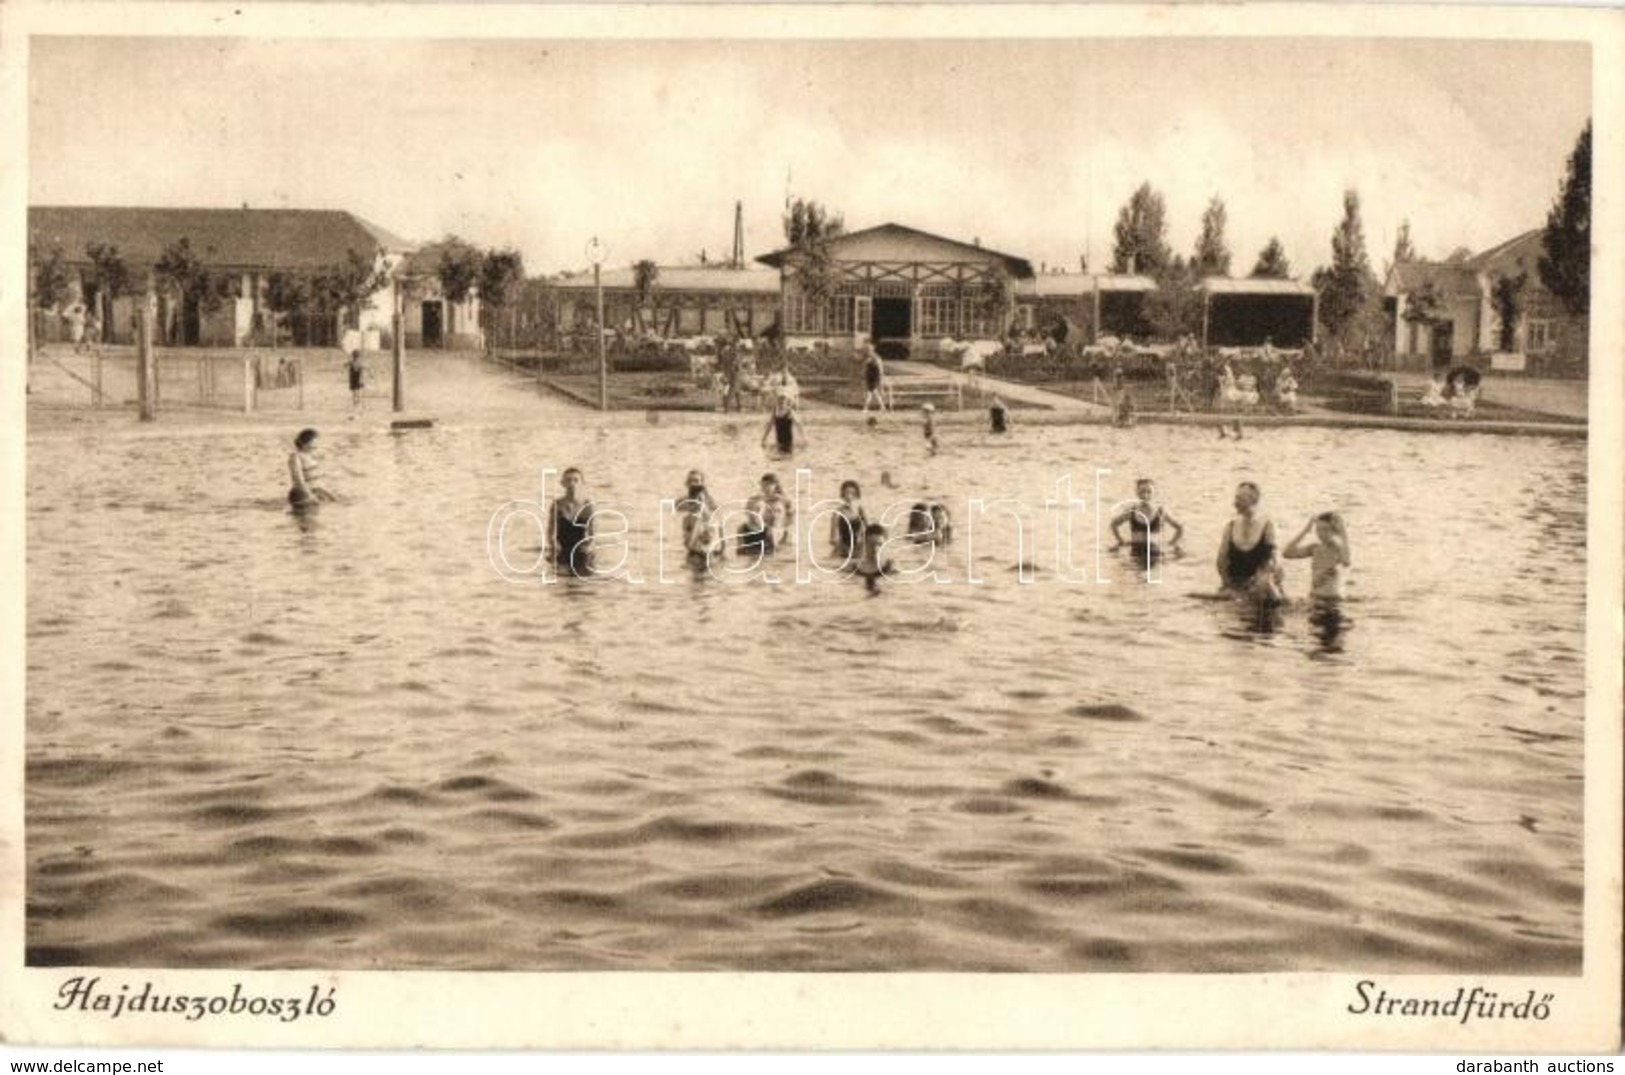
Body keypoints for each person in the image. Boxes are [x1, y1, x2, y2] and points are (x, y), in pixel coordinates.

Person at [1216, 481, 1282, 602]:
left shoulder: (1268, 525)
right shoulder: (1230, 526)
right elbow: (1221, 560)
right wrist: (1227, 585)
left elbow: (1274, 559)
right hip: (1235, 585)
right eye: (1236, 498)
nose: (1235, 503)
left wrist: (1263, 580)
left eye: (1240, 498)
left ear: (1254, 500)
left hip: (1261, 585)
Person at [1283, 511, 1351, 603]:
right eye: (1318, 529)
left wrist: (1343, 531)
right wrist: (1306, 530)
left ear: (1334, 530)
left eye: (1325, 529)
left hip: (1332, 601)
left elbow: (1346, 561)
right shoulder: (1315, 548)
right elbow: (1287, 553)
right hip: (1314, 598)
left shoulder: (1338, 549)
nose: (1320, 533)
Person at [1110, 478, 1184, 560]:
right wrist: (1121, 542)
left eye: (1149, 492)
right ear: (1137, 493)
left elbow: (1179, 528)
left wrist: (1171, 544)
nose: (1145, 495)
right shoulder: (1132, 511)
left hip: (1155, 553)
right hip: (1136, 552)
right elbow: (1114, 524)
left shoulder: (1160, 511)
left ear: (1154, 493)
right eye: (1142, 492)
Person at [546, 467, 595, 575]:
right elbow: (550, 534)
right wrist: (554, 547)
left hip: (581, 550)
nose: (572, 483)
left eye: (575, 480)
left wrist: (588, 548)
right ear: (562, 483)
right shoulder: (557, 505)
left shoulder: (587, 506)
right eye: (568, 480)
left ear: (582, 483)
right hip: (561, 549)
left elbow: (592, 534)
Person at [739, 472, 792, 556]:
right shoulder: (757, 499)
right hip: (762, 528)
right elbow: (747, 512)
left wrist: (784, 527)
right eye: (763, 485)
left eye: (768, 485)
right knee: (742, 528)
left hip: (776, 530)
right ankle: (742, 549)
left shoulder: (781, 499)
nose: (765, 488)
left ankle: (772, 550)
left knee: (771, 531)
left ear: (775, 485)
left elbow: (789, 516)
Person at [677, 469, 723, 561]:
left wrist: (722, 551)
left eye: (697, 481)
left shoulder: (710, 501)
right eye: (691, 481)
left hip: (708, 548)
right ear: (687, 483)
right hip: (694, 549)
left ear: (702, 483)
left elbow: (720, 524)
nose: (694, 484)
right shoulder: (681, 502)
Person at [287, 428, 335, 510]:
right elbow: (298, 480)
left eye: (316, 442)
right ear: (305, 443)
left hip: (315, 490)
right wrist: (310, 496)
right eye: (313, 442)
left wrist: (327, 493)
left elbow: (316, 480)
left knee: (334, 502)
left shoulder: (310, 456)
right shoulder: (296, 457)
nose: (316, 445)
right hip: (301, 493)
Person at [830, 480, 867, 565]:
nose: (849, 497)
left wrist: (862, 538)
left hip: (859, 549)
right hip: (842, 549)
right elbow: (832, 539)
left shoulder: (861, 511)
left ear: (857, 495)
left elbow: (868, 531)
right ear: (842, 495)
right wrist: (837, 542)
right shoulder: (837, 512)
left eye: (852, 494)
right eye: (846, 493)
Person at [854, 521, 892, 595]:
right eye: (871, 545)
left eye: (879, 545)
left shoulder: (891, 569)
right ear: (864, 545)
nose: (875, 549)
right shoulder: (854, 569)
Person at [861, 343, 889, 414]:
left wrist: (881, 377)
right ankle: (882, 407)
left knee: (870, 393)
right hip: (870, 377)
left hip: (874, 377)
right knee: (875, 393)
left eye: (868, 350)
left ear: (872, 350)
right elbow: (865, 368)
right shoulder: (868, 357)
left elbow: (880, 368)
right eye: (867, 350)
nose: (867, 351)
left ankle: (865, 408)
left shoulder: (876, 358)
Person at [346, 349, 366, 417]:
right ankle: (358, 406)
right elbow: (363, 369)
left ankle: (357, 405)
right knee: (357, 394)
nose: (356, 358)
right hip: (357, 380)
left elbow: (346, 365)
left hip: (355, 380)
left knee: (356, 394)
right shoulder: (359, 363)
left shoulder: (353, 363)